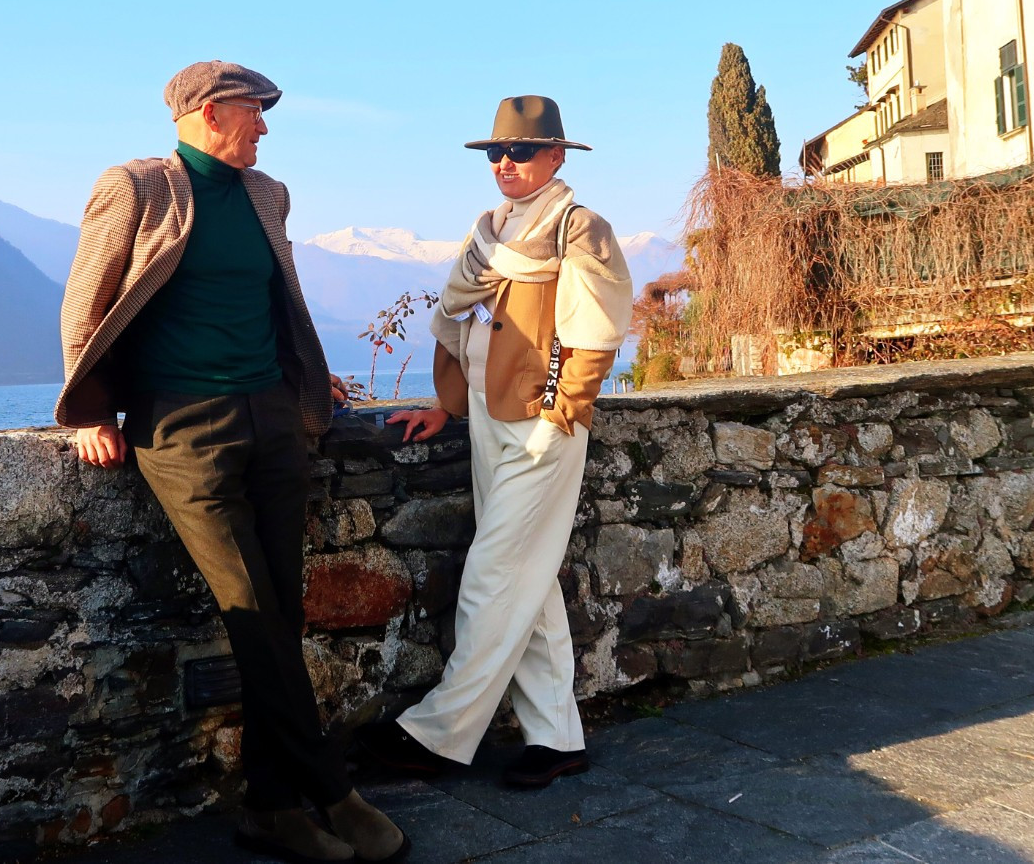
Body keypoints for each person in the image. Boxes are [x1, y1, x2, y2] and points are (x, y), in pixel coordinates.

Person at [58, 60, 409, 863]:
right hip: (182, 427)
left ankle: (269, 808)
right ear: (212, 113)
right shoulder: (138, 188)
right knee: (250, 611)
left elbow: (274, 296)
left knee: (280, 614)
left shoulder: (266, 195)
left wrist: (305, 382)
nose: (264, 127)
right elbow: (87, 297)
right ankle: (330, 789)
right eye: (255, 112)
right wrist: (86, 411)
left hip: (274, 418)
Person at [353, 96, 631, 790]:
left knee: (491, 575)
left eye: (522, 151)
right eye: (495, 153)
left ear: (557, 156)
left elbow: (595, 330)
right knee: (528, 585)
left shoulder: (578, 229)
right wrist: (448, 407)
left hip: (542, 424)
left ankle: (438, 735)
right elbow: (464, 325)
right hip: (483, 417)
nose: (505, 163)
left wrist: (560, 413)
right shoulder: (488, 232)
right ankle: (557, 739)